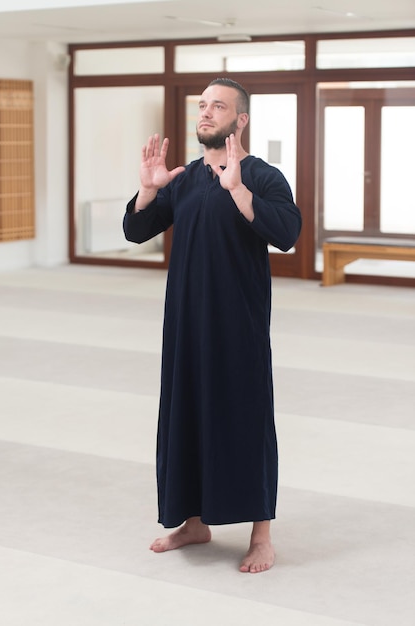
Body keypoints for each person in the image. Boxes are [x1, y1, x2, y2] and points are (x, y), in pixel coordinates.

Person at [123, 78, 302, 574]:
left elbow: (287, 232)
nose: (205, 113)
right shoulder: (182, 177)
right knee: (187, 415)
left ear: (239, 120)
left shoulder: (263, 176)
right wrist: (147, 188)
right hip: (185, 324)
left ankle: (261, 536)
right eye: (201, 105)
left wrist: (238, 190)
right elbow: (136, 230)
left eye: (217, 106)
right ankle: (194, 521)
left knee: (246, 421)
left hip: (238, 324)